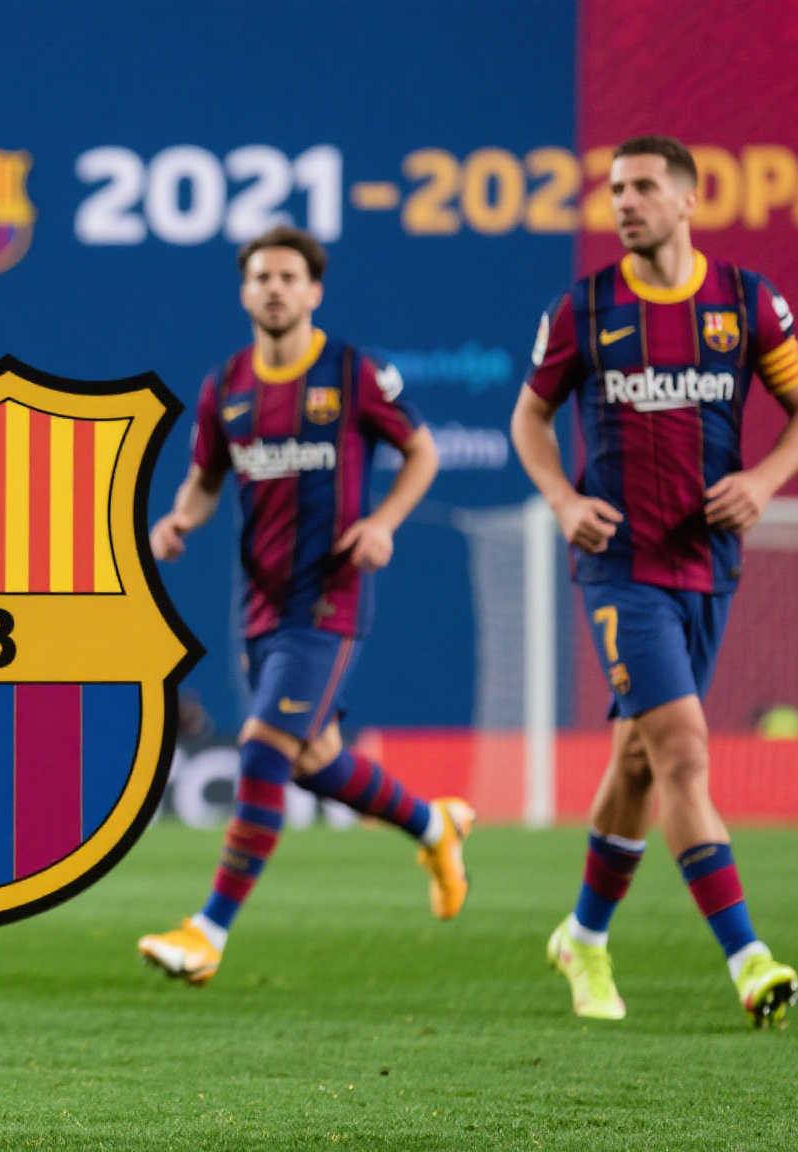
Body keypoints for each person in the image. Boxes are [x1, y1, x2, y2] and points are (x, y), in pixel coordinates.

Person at [512, 135, 798, 1027]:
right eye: (616, 189)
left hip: (707, 564)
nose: (625, 202)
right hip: (620, 565)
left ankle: (583, 937)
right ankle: (749, 960)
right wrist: (564, 499)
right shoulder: (584, 309)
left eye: (645, 187)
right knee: (683, 751)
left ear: (688, 201)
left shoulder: (746, 302)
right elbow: (530, 418)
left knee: (639, 763)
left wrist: (762, 482)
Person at [138, 226, 473, 987]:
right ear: (244, 292)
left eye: (289, 277)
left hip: (329, 598)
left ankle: (207, 932)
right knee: (314, 760)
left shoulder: (353, 372)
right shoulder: (226, 386)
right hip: (260, 604)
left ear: (314, 291)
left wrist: (383, 523)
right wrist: (179, 519)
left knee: (263, 749)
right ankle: (434, 824)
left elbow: (422, 450)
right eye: (262, 277)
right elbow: (206, 479)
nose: (275, 288)